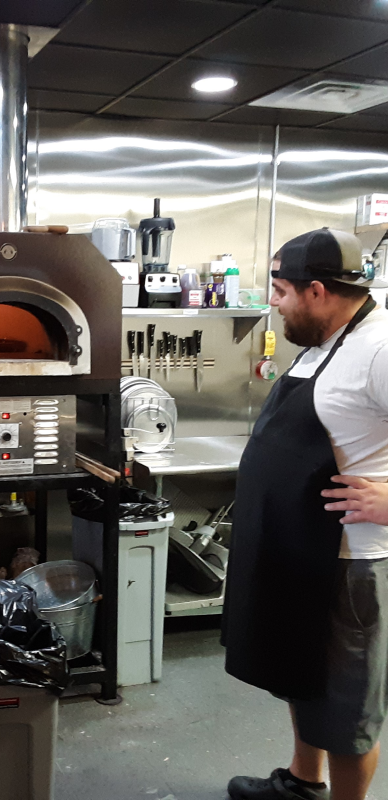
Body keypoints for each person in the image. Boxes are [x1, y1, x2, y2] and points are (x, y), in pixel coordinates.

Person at [222, 228, 388, 800]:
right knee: (302, 677)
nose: (273, 300)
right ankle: (301, 782)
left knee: (347, 711)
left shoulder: (381, 350)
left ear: (316, 290)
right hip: (297, 551)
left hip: (347, 564)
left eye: (279, 289)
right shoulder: (324, 340)